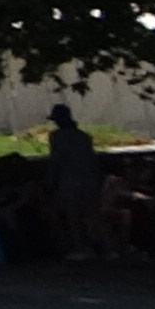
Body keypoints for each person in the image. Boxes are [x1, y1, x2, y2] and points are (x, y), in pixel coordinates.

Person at [46, 104, 106, 260]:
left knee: (73, 215)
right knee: (92, 214)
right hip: (89, 179)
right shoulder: (84, 136)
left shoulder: (57, 136)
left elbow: (56, 160)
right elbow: (93, 160)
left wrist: (51, 181)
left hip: (69, 179)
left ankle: (80, 248)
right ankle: (101, 246)